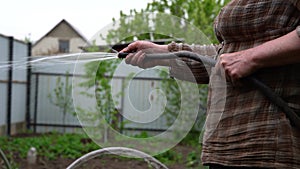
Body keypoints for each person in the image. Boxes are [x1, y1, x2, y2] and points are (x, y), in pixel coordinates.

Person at [120, 0, 300, 168]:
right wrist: (163, 53)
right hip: (226, 147)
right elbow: (222, 59)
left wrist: (252, 58)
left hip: (269, 143)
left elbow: (240, 57)